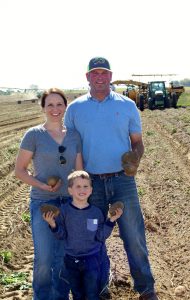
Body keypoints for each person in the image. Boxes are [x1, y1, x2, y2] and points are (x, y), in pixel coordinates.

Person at [64, 57, 159, 300]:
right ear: (87, 77)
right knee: (93, 237)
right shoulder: (75, 109)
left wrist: (135, 158)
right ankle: (99, 288)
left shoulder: (127, 105)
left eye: (104, 73)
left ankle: (146, 289)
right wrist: (77, 183)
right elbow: (71, 147)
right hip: (90, 186)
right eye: (94, 73)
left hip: (122, 183)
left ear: (110, 76)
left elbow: (138, 144)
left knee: (134, 236)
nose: (99, 77)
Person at [15, 88, 83, 300]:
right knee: (44, 257)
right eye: (50, 105)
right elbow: (20, 170)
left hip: (67, 204)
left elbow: (80, 172)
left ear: (65, 107)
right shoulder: (34, 135)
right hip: (43, 203)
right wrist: (42, 186)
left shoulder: (74, 136)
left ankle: (61, 296)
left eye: (59, 104)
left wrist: (78, 196)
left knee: (63, 257)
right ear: (43, 108)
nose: (55, 109)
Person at [43, 170, 123, 300]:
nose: (82, 189)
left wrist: (111, 220)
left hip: (92, 259)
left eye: (86, 186)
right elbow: (61, 235)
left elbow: (99, 236)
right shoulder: (64, 211)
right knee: (77, 294)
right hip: (71, 260)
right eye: (78, 186)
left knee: (92, 294)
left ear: (91, 190)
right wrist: (53, 224)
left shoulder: (95, 213)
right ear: (70, 190)